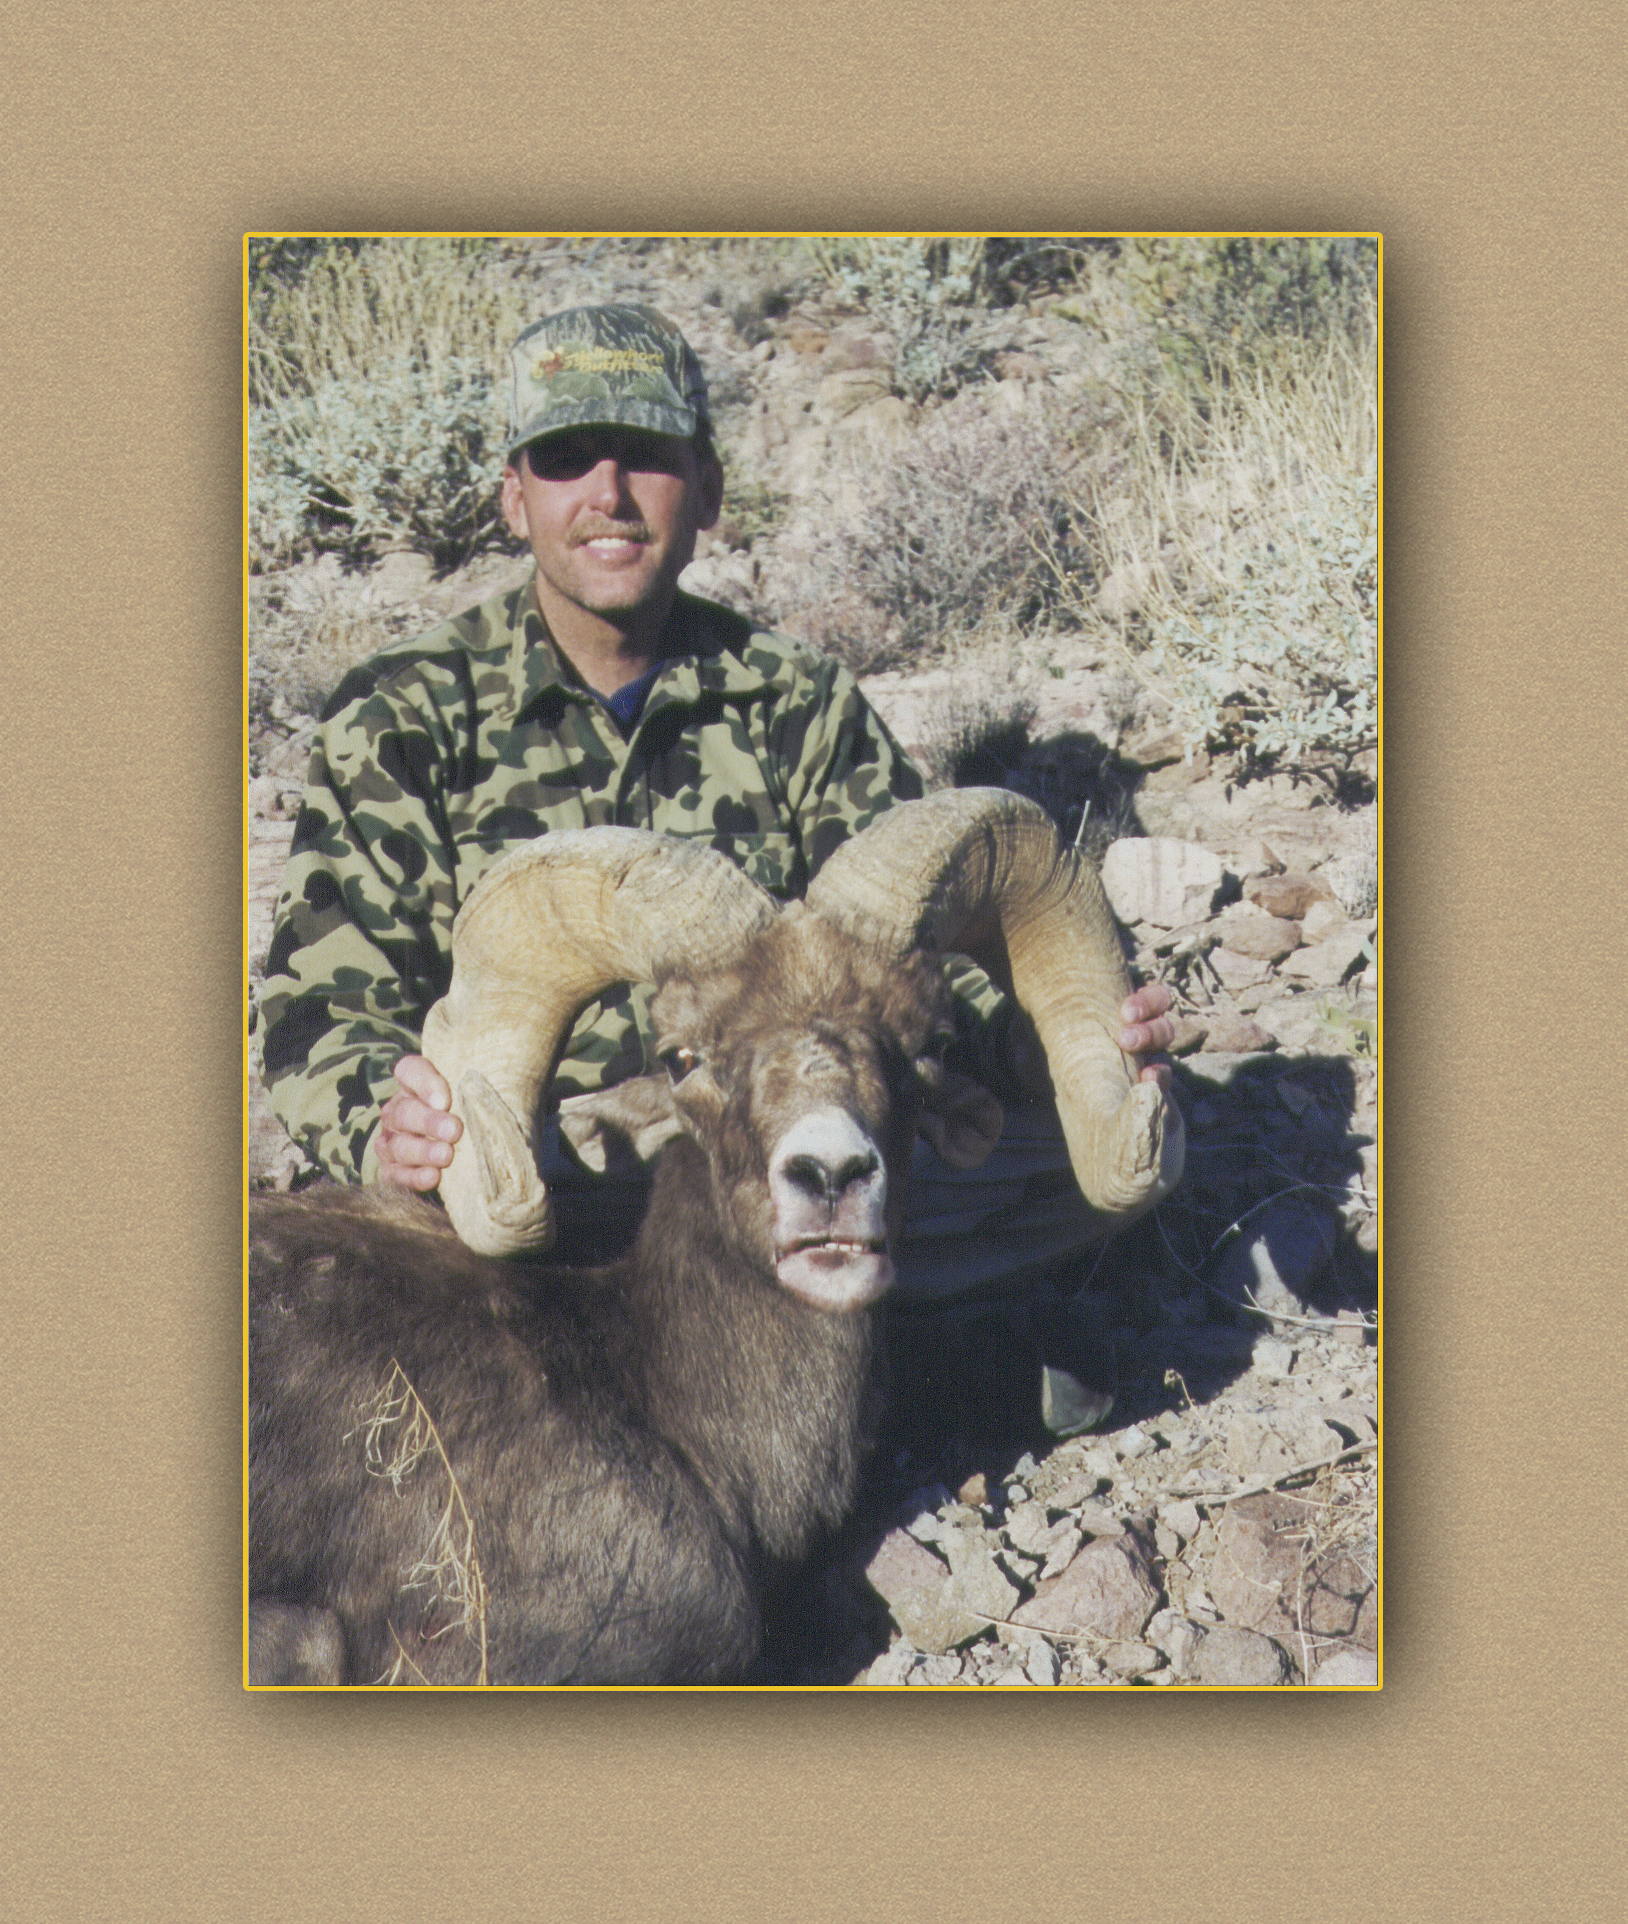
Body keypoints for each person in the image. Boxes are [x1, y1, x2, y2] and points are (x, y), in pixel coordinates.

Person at [260, 302, 1173, 1423]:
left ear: (706, 489)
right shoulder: (402, 714)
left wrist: (1068, 1045)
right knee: (407, 1236)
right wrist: (384, 1124)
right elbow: (319, 1006)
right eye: (564, 461)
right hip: (557, 1166)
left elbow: (924, 967)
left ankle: (779, 1384)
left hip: (769, 1135)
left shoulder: (796, 701)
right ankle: (902, 1370)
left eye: (647, 456)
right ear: (514, 498)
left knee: (1103, 1163)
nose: (607, 492)